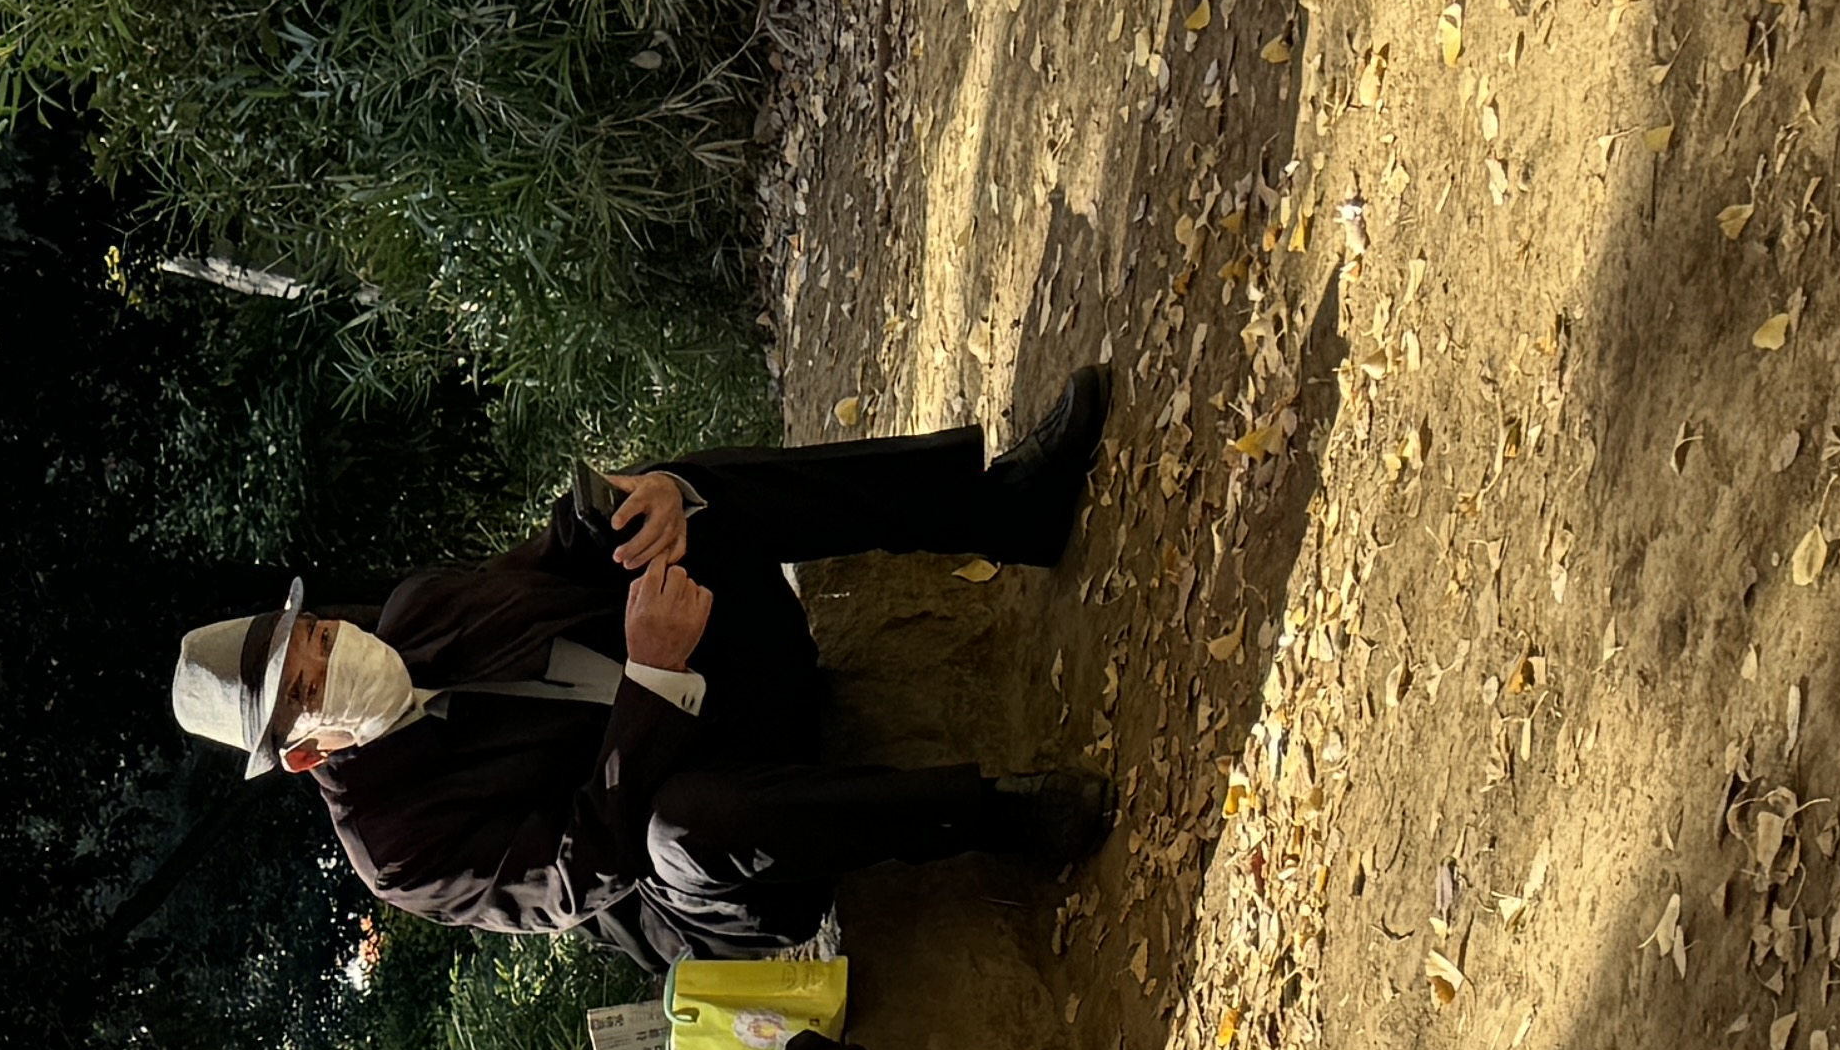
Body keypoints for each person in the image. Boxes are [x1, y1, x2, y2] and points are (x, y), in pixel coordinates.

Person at [169, 376, 1124, 960]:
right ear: (300, 755)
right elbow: (590, 867)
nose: (333, 659)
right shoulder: (395, 850)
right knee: (679, 831)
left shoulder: (416, 612)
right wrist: (653, 678)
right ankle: (998, 815)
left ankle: (1002, 512)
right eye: (305, 689)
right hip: (728, 862)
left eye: (319, 639)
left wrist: (641, 500)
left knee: (672, 493)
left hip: (738, 673)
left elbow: (557, 559)